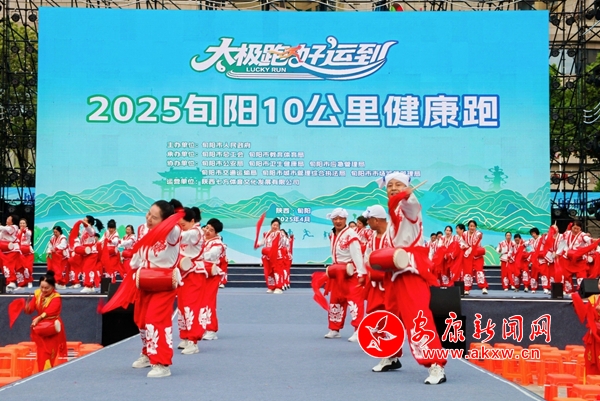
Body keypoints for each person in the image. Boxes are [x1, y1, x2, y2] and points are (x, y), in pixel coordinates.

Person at [370, 172, 447, 384]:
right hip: (394, 272)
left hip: (411, 270)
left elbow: (411, 205)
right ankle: (391, 355)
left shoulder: (409, 208)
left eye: (398, 185)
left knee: (418, 315)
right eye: (390, 186)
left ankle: (436, 364)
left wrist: (407, 195)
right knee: (391, 314)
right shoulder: (393, 214)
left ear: (406, 187)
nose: (393, 188)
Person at [129, 199, 183, 378]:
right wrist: (133, 266)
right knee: (141, 319)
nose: (149, 218)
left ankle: (162, 363)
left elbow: (173, 225)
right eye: (148, 214)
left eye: (154, 217)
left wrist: (176, 215)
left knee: (156, 320)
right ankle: (147, 353)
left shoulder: (172, 234)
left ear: (165, 221)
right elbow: (139, 253)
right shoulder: (143, 229)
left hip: (163, 283)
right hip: (145, 280)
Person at [323, 207, 365, 342]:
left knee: (354, 301)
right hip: (337, 273)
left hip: (350, 273)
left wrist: (361, 273)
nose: (338, 221)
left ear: (345, 219)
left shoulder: (351, 234)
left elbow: (357, 254)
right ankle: (334, 329)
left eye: (340, 218)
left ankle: (358, 330)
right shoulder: (332, 234)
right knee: (335, 301)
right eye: (335, 219)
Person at [25, 271, 67, 371]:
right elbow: (32, 307)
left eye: (46, 288)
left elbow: (51, 311)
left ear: (53, 286)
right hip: (41, 329)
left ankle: (50, 372)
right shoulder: (37, 293)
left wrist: (39, 318)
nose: (43, 290)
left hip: (52, 328)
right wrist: (27, 308)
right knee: (41, 352)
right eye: (42, 287)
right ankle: (41, 372)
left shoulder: (56, 297)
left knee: (51, 352)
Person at [176, 206, 205, 354]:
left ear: (192, 221)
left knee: (191, 306)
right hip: (183, 272)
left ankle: (193, 341)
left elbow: (181, 237)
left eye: (183, 224)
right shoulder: (186, 231)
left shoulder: (195, 232)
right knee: (182, 306)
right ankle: (186, 336)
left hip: (194, 273)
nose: (181, 227)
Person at [199, 218, 226, 342]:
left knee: (208, 301)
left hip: (211, 275)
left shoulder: (218, 244)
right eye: (207, 228)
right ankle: (202, 327)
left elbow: (209, 256)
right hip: (200, 274)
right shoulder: (202, 240)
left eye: (211, 230)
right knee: (200, 302)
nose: (207, 231)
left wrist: (193, 255)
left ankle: (211, 329)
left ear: (216, 232)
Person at [69, 215, 104, 293]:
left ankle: (88, 285)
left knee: (87, 269)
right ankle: (90, 287)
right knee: (86, 269)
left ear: (89, 222)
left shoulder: (91, 230)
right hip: (85, 252)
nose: (83, 221)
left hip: (91, 253)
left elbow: (88, 227)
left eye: (85, 220)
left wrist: (82, 222)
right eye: (83, 219)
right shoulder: (84, 231)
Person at [257, 218, 285, 294]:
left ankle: (279, 287)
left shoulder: (280, 234)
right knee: (269, 272)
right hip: (267, 256)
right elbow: (262, 242)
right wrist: (257, 244)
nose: (275, 226)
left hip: (276, 256)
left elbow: (284, 243)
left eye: (277, 225)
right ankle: (271, 287)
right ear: (271, 225)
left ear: (279, 227)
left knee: (277, 271)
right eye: (274, 225)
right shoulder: (266, 234)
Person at [461, 220, 488, 295]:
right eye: (470, 226)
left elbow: (479, 236)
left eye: (473, 226)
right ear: (468, 226)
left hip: (477, 255)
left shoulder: (477, 233)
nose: (472, 227)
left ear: (475, 227)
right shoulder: (464, 234)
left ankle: (483, 287)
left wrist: (479, 236)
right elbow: (462, 242)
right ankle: (467, 289)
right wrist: (463, 246)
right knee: (467, 272)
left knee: (479, 271)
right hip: (468, 255)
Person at [1, 214, 22, 291]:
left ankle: (12, 281)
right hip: (5, 250)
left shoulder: (14, 227)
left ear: (12, 221)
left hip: (13, 250)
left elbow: (7, 229)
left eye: (9, 218)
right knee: (4, 266)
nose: (7, 219)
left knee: (9, 265)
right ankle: (9, 282)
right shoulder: (4, 229)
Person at [528, 227, 550, 294]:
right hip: (535, 260)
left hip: (542, 259)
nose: (533, 235)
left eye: (534, 233)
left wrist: (547, 234)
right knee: (534, 275)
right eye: (532, 233)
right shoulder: (531, 240)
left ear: (537, 233)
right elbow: (524, 244)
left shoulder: (542, 238)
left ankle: (545, 288)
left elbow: (548, 240)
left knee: (544, 274)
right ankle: (533, 288)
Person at [101, 219, 122, 284]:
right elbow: (102, 240)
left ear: (115, 228)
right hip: (107, 254)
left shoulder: (116, 234)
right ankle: (107, 284)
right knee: (107, 269)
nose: (111, 229)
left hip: (114, 255)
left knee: (113, 268)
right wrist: (98, 243)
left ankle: (113, 283)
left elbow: (115, 241)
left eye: (112, 228)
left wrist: (111, 241)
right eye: (109, 228)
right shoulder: (106, 233)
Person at [17, 218, 34, 289]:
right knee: (20, 269)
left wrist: (23, 230)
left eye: (23, 223)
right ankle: (21, 284)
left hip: (28, 253)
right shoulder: (17, 232)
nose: (22, 224)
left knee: (28, 268)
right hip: (20, 253)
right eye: (21, 223)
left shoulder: (28, 231)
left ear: (26, 224)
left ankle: (29, 282)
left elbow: (28, 234)